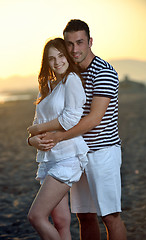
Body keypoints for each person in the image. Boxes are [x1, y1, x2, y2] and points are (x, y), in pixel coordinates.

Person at [29, 20, 127, 240]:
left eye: (80, 42)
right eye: (70, 44)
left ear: (90, 42)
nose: (74, 49)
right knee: (85, 216)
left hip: (102, 151)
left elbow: (93, 119)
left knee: (110, 216)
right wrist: (36, 138)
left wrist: (57, 137)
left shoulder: (103, 71)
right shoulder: (69, 75)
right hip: (77, 152)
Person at [27, 37, 89, 240]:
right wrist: (32, 140)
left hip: (68, 157)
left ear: (68, 56)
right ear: (47, 62)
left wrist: (38, 128)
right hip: (48, 159)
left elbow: (71, 118)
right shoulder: (47, 85)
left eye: (61, 56)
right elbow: (36, 122)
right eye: (51, 59)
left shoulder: (71, 79)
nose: (57, 62)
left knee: (36, 216)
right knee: (61, 221)